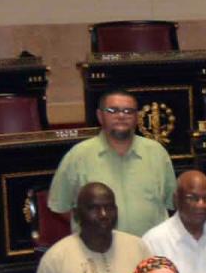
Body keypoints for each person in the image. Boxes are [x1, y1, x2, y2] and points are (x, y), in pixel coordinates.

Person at [50, 90, 176, 236]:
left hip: (149, 251)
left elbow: (171, 203)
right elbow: (61, 206)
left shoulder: (157, 153)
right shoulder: (78, 156)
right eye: (113, 110)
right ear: (100, 116)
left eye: (128, 111)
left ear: (137, 117)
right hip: (98, 252)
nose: (121, 116)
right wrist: (91, 230)